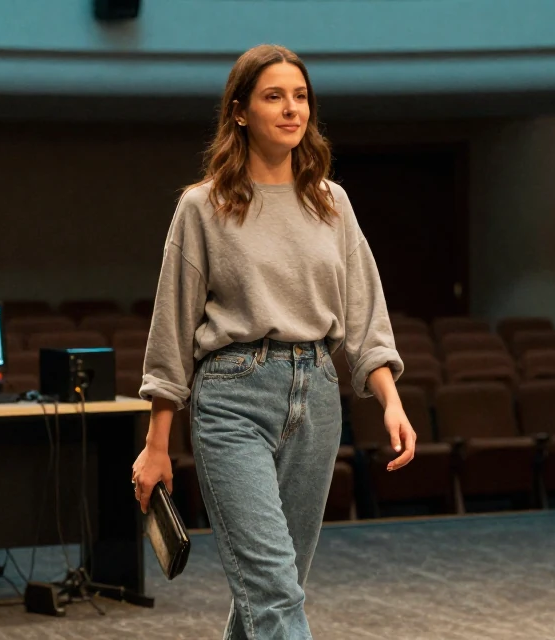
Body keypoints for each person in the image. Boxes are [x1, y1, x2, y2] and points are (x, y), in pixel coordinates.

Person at [131, 43, 416, 639]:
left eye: (301, 97)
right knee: (274, 589)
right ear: (239, 111)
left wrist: (390, 399)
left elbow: (364, 312)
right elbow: (171, 331)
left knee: (273, 591)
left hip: (316, 396)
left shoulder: (331, 203)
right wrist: (157, 444)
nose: (292, 109)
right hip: (233, 399)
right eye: (274, 96)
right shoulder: (201, 206)